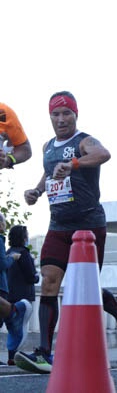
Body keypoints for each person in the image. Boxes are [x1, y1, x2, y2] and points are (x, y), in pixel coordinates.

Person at [15, 92, 117, 374]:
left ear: (75, 115)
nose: (61, 120)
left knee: (87, 290)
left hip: (88, 225)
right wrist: (37, 191)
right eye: (55, 115)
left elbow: (103, 154)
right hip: (58, 225)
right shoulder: (47, 146)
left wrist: (73, 164)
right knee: (49, 281)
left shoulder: (84, 141)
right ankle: (45, 354)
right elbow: (50, 174)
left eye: (66, 114)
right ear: (50, 118)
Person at [0, 101, 33, 350]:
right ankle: (12, 313)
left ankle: (12, 313)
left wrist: (8, 158)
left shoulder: (4, 112)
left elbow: (25, 150)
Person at [4, 223, 36, 365]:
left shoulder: (8, 252)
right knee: (20, 327)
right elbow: (30, 276)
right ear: (23, 238)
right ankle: (14, 356)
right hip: (23, 296)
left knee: (12, 327)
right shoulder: (23, 253)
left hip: (8, 296)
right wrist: (37, 277)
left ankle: (12, 356)